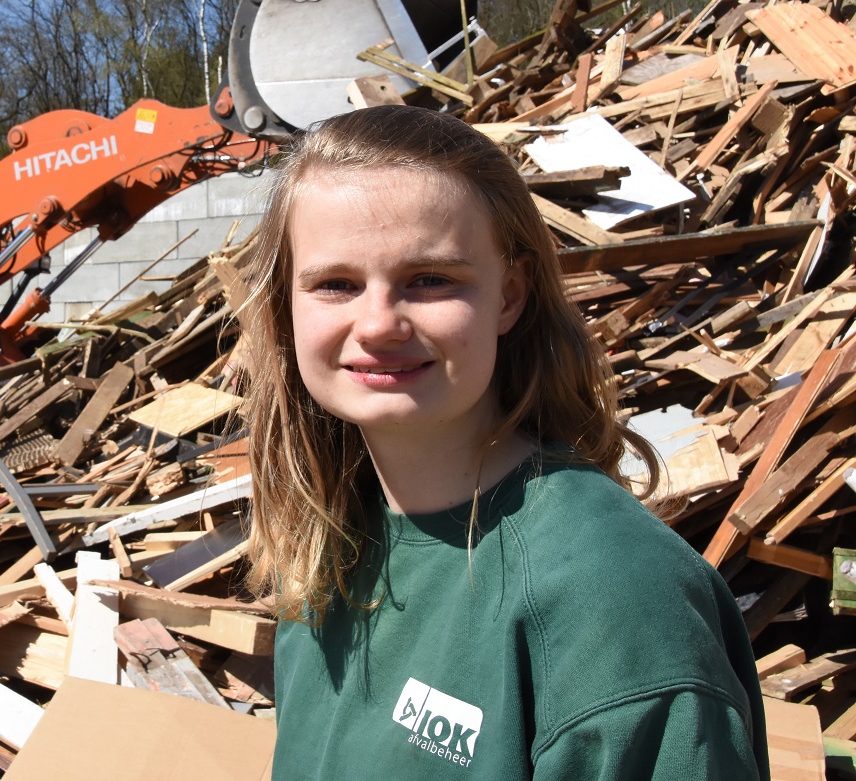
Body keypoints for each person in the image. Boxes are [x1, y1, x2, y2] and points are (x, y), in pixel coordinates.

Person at [238, 105, 768, 779]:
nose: (376, 323)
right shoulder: (325, 545)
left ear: (508, 295)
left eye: (428, 279)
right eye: (334, 284)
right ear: (285, 303)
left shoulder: (612, 599)